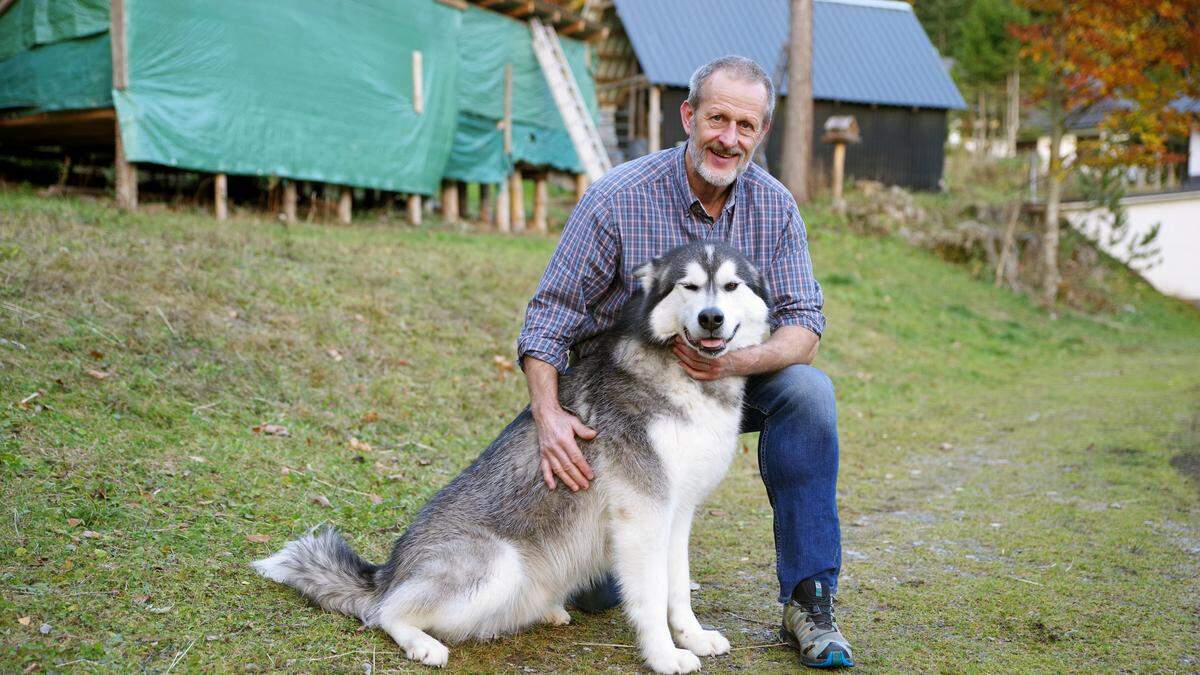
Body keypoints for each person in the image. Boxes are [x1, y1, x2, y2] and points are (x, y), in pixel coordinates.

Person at [516, 55, 853, 669]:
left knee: (807, 393)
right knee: (598, 590)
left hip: (726, 383)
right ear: (688, 116)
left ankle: (811, 598)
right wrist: (547, 414)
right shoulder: (618, 197)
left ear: (760, 134)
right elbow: (550, 315)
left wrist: (731, 363)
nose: (729, 137)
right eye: (717, 118)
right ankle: (610, 575)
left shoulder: (775, 209)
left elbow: (806, 323)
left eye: (745, 125)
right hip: (624, 399)